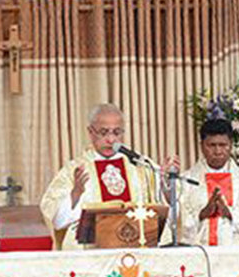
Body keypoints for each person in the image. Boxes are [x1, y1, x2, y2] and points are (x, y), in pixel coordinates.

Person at [40, 103, 169, 250]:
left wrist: (166, 182)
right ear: (90, 132)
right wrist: (75, 194)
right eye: (104, 132)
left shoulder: (140, 166)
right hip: (91, 251)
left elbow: (165, 209)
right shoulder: (75, 170)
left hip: (135, 247)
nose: (111, 139)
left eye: (117, 132)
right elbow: (57, 222)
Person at [162, 118, 239, 246]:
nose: (218, 151)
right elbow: (174, 220)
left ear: (231, 145)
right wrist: (203, 213)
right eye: (212, 145)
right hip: (200, 254)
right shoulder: (186, 182)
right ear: (201, 146)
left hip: (237, 254)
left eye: (223, 145)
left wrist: (229, 212)